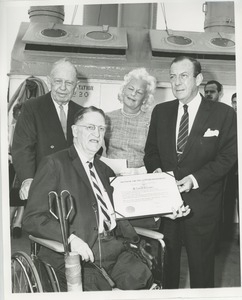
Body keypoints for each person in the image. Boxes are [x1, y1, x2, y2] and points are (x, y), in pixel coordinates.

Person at [144, 56, 237, 289]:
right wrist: (158, 175)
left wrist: (194, 180)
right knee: (166, 270)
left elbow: (228, 157)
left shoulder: (223, 114)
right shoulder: (161, 112)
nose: (177, 82)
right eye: (173, 76)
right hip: (167, 208)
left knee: (202, 273)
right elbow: (151, 152)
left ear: (198, 79)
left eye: (183, 76)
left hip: (203, 207)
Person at [12, 57, 82, 201]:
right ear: (49, 81)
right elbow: (23, 147)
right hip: (42, 184)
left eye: (69, 83)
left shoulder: (82, 113)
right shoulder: (32, 108)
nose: (63, 88)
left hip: (74, 186)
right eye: (58, 81)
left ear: (76, 85)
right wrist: (27, 179)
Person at [104, 68, 157, 174]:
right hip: (111, 175)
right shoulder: (106, 118)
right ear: (123, 90)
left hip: (141, 178)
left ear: (145, 98)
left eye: (139, 92)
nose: (133, 94)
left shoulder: (152, 120)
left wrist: (137, 172)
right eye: (130, 88)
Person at [9, 103, 26, 238]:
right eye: (18, 115)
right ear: (14, 115)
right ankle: (9, 222)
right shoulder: (9, 129)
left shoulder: (30, 130)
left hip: (25, 166)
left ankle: (17, 224)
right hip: (10, 166)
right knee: (12, 198)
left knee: (22, 197)